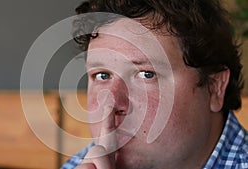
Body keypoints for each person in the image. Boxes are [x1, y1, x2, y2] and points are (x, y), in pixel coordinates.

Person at [61, 0, 248, 168]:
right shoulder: (80, 164)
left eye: (146, 74)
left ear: (215, 87)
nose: (112, 103)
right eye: (102, 75)